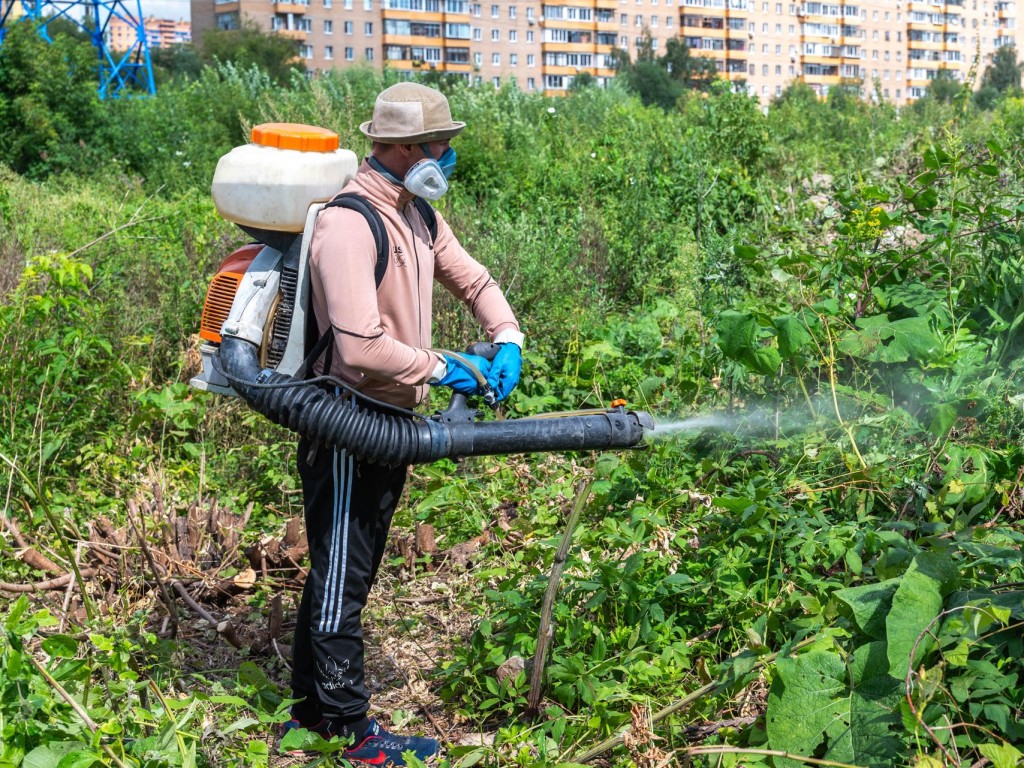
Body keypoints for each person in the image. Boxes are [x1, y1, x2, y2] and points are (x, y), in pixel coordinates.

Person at [281, 82, 524, 766]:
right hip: (346, 418)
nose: (446, 157)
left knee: (343, 571)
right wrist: (444, 365)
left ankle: (310, 714)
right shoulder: (349, 224)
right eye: (438, 145)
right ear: (398, 146)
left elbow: (473, 281)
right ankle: (355, 736)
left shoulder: (415, 215)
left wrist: (506, 335)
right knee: (342, 578)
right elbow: (359, 346)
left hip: (389, 416)